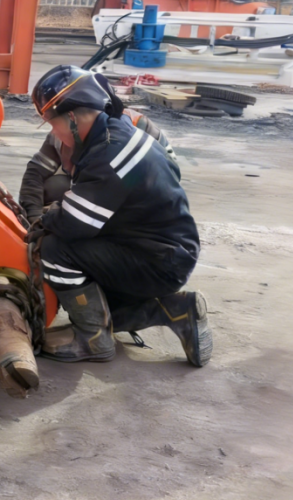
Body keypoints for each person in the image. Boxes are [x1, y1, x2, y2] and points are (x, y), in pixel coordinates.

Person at [27, 65, 211, 366]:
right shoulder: (117, 132)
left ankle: (92, 340)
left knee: (55, 249)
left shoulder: (110, 153)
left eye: (52, 124)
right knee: (98, 305)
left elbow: (73, 223)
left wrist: (44, 218)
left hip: (160, 261)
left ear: (72, 118)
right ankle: (178, 310)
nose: (53, 133)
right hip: (165, 251)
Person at [20, 73, 176, 222]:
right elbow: (35, 173)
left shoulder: (139, 127)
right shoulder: (63, 132)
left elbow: (168, 179)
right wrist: (34, 217)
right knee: (54, 187)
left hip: (135, 200)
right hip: (95, 191)